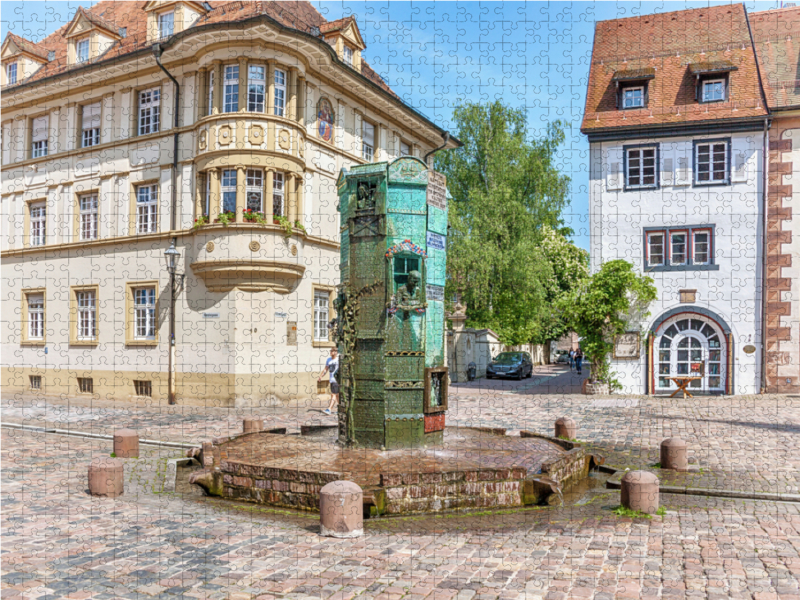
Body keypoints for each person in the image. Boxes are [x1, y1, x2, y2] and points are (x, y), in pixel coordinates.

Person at [318, 347, 339, 415]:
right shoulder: (328, 360)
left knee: (333, 395)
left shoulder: (339, 360)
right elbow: (326, 369)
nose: (330, 352)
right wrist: (321, 376)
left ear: (336, 352)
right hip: (332, 380)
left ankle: (329, 409)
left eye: (332, 351)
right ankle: (341, 409)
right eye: (330, 351)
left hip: (337, 380)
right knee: (337, 395)